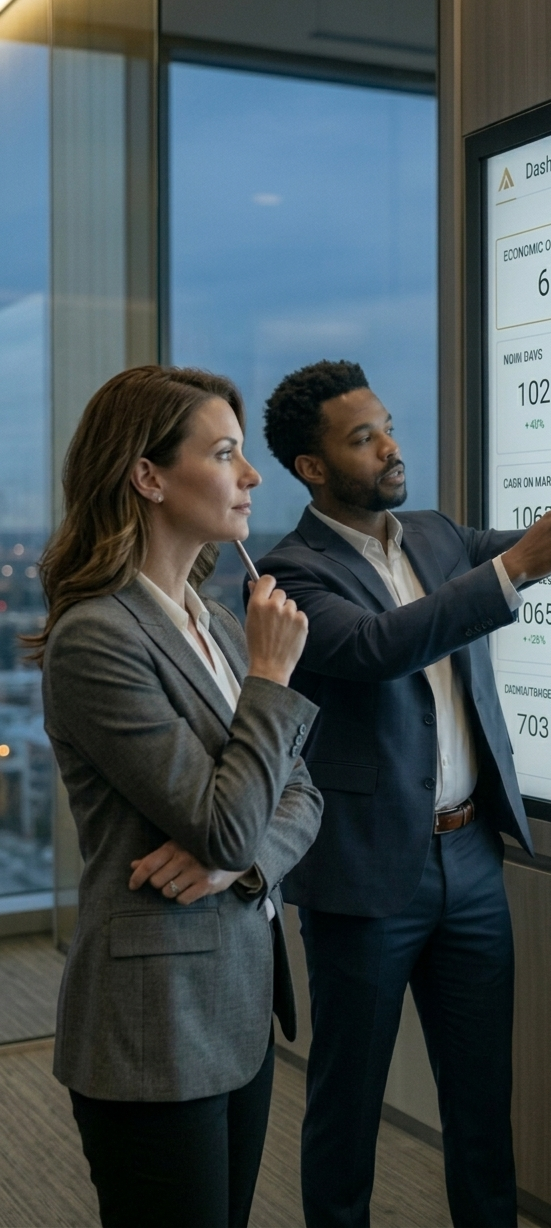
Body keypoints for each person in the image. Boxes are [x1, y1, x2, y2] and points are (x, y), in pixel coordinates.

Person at [255, 358, 551, 1228]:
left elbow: (535, 554)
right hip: (366, 878)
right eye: (362, 437)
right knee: (348, 1112)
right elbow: (381, 645)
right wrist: (511, 570)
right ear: (311, 468)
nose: (389, 446)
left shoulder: (431, 534)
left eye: (385, 425)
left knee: (482, 1106)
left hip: (470, 859)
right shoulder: (287, 573)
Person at [34, 365, 323, 1228]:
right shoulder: (96, 637)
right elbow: (227, 819)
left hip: (234, 1007)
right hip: (152, 1028)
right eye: (226, 453)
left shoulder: (215, 622)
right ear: (148, 476)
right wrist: (271, 677)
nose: (251, 474)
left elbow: (301, 796)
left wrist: (237, 867)